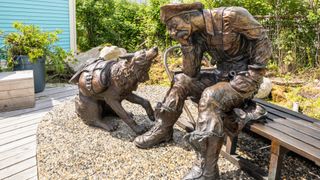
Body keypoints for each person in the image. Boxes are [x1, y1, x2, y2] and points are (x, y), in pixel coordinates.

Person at [134, 2, 272, 179]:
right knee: (181, 80)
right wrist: (186, 44)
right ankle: (163, 129)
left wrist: (255, 73)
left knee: (210, 97)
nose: (172, 33)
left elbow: (262, 39)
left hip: (244, 79)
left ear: (188, 16)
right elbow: (191, 72)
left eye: (173, 26)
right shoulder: (195, 34)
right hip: (221, 76)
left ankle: (208, 171)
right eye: (170, 29)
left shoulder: (232, 16)